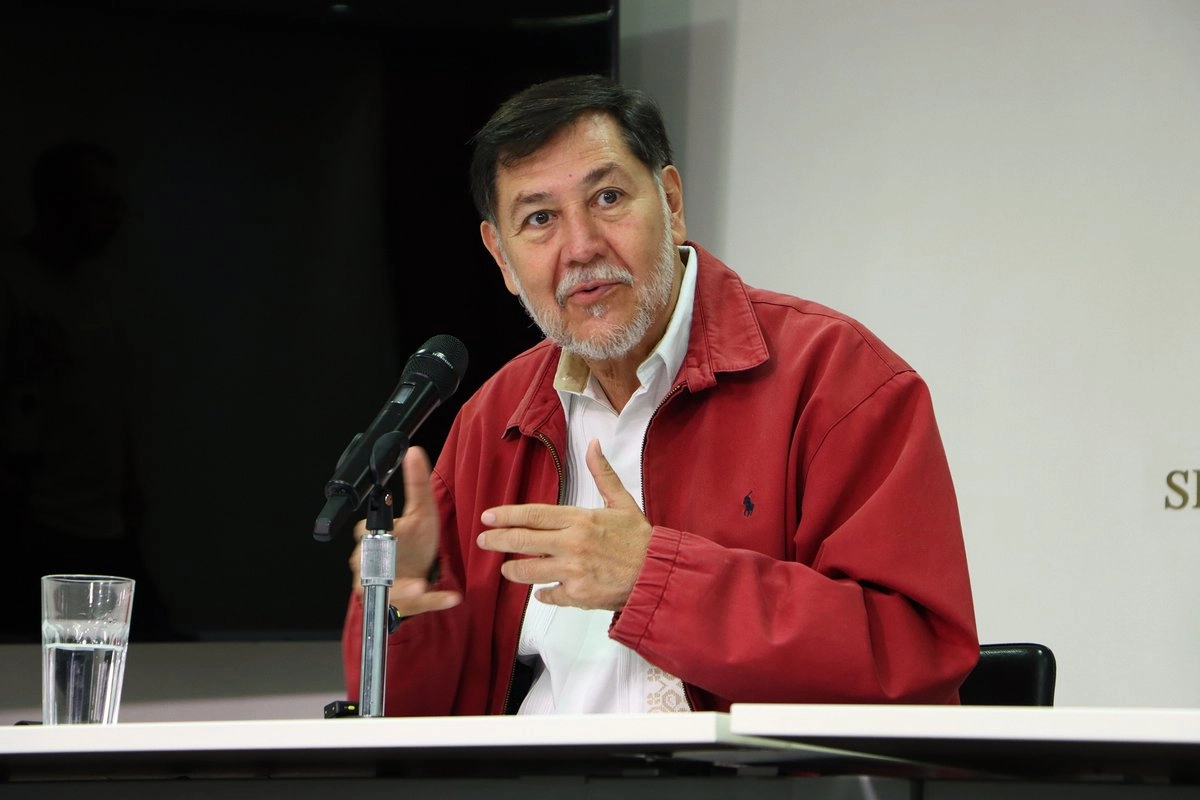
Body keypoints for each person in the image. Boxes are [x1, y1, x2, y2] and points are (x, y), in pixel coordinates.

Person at [342, 74, 978, 714]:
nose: (581, 247)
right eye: (539, 219)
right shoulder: (492, 421)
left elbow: (914, 652)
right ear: (502, 257)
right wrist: (396, 614)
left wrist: (655, 578)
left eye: (608, 197)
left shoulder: (837, 377)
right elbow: (413, 727)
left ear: (671, 203)